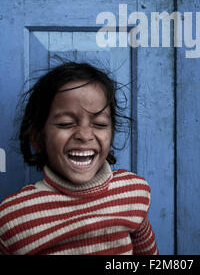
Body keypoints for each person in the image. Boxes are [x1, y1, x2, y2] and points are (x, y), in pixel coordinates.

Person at [0, 62, 158, 255]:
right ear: (37, 137)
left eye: (99, 124)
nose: (84, 135)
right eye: (66, 124)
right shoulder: (13, 218)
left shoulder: (133, 192)